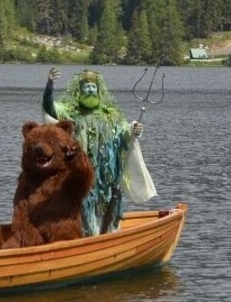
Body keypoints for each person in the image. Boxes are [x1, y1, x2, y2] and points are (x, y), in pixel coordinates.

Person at [43, 67, 156, 235]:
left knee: (109, 210)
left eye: (93, 87)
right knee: (84, 210)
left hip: (107, 178)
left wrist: (134, 128)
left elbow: (124, 131)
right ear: (79, 90)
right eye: (86, 87)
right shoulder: (69, 112)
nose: (90, 90)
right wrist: (50, 86)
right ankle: (87, 239)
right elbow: (49, 108)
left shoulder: (110, 115)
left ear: (98, 90)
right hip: (81, 177)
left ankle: (110, 236)